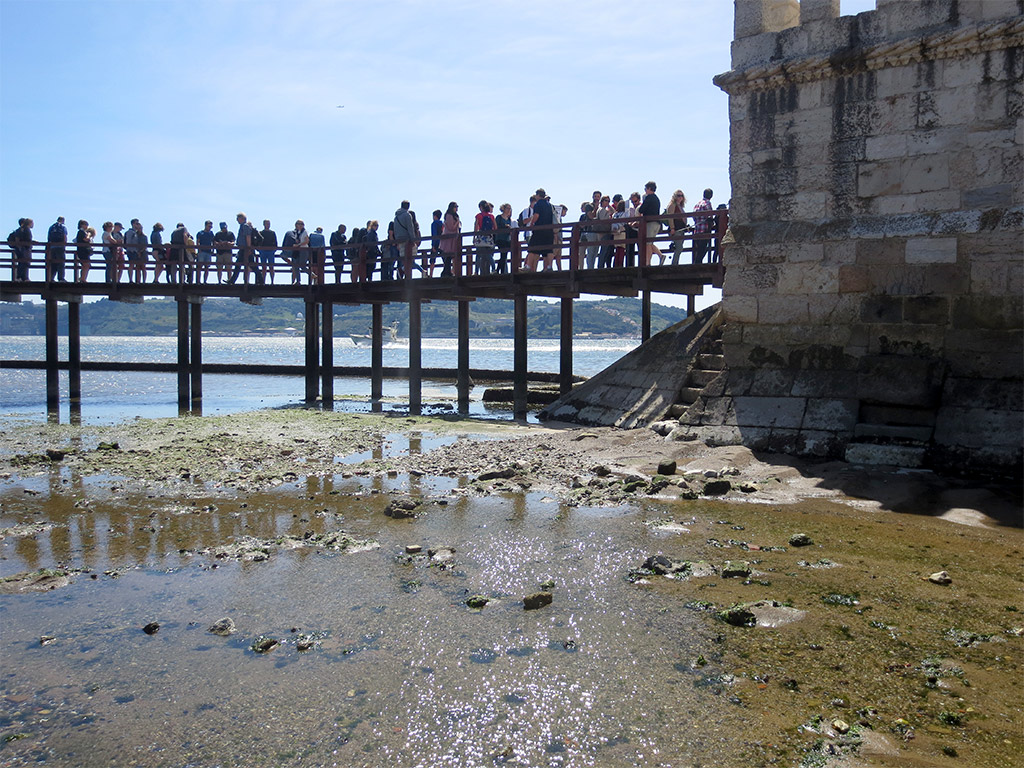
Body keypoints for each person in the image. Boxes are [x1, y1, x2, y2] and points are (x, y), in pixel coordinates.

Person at [526, 188, 554, 271]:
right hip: (549, 230)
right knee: (548, 249)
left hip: (539, 229)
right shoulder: (549, 205)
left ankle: (528, 266)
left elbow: (536, 215)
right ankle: (549, 267)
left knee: (532, 248)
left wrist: (531, 224)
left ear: (538, 195)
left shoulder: (538, 204)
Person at [638, 181, 663, 266]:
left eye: (645, 189)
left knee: (647, 243)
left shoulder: (649, 197)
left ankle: (649, 262)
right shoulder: (657, 198)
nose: (645, 190)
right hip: (657, 223)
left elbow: (641, 209)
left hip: (650, 223)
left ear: (649, 188)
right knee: (649, 243)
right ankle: (657, 257)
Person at [393, 200, 419, 278]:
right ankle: (405, 273)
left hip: (399, 240)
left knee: (404, 258)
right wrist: (413, 240)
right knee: (411, 257)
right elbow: (410, 228)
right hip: (407, 239)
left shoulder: (396, 217)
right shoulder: (407, 215)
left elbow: (395, 229)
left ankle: (404, 272)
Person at [228, 213, 253, 285]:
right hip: (243, 249)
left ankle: (260, 280)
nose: (237, 220)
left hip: (245, 249)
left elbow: (248, 237)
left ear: (241, 218)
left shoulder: (245, 226)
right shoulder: (243, 226)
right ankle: (232, 281)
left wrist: (248, 248)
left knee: (252, 266)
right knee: (238, 265)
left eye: (237, 219)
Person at [665, 189, 688, 265]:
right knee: (679, 248)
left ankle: (675, 263)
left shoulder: (680, 206)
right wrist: (672, 228)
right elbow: (670, 217)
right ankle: (674, 264)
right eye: (678, 195)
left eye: (682, 195)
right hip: (676, 229)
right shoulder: (672, 205)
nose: (680, 197)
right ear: (675, 196)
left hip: (681, 229)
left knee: (679, 248)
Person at [473, 200, 496, 275]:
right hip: (489, 237)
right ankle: (493, 268)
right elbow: (495, 227)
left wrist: (474, 237)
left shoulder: (478, 216)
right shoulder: (491, 216)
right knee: (488, 254)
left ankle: (476, 271)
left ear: (481, 207)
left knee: (478, 255)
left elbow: (476, 227)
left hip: (481, 237)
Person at [692, 188, 714, 264]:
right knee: (703, 248)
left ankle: (697, 262)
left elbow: (694, 217)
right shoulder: (707, 203)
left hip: (697, 229)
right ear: (711, 195)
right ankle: (697, 263)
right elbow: (710, 216)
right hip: (704, 229)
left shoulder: (697, 204)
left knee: (699, 248)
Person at [440, 202, 461, 277]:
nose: (456, 209)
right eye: (455, 207)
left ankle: (447, 272)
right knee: (448, 255)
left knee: (450, 256)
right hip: (448, 238)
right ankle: (446, 272)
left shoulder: (454, 215)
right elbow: (451, 227)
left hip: (452, 238)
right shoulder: (449, 215)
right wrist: (457, 223)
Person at [46, 216, 68, 282]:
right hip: (60, 247)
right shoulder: (63, 227)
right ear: (63, 220)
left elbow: (48, 237)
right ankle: (61, 278)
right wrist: (64, 245)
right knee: (61, 263)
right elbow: (64, 236)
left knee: (53, 263)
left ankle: (51, 278)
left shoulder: (51, 227)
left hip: (52, 247)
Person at [494, 203, 514, 274]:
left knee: (504, 256)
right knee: (503, 254)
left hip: (507, 239)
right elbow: (497, 227)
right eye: (508, 208)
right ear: (504, 209)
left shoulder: (509, 219)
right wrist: (505, 226)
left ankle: (499, 270)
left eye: (510, 209)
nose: (509, 210)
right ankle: (499, 271)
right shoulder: (499, 217)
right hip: (500, 238)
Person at [595, 195, 613, 268]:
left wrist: (609, 207)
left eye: (609, 201)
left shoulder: (604, 209)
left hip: (605, 231)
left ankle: (602, 265)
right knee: (604, 250)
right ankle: (600, 266)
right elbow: (603, 219)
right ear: (602, 201)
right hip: (604, 232)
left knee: (606, 250)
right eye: (606, 201)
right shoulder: (602, 210)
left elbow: (613, 211)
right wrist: (608, 214)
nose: (607, 202)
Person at [128, 219, 148, 284]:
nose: (139, 229)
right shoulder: (134, 235)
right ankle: (138, 281)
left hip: (143, 252)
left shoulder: (144, 236)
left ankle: (144, 281)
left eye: (140, 228)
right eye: (139, 228)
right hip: (136, 252)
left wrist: (140, 251)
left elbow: (145, 245)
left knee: (143, 267)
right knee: (137, 267)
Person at [258, 220, 277, 285]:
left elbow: (275, 243)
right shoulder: (260, 233)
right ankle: (263, 281)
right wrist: (259, 250)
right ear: (264, 224)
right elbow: (258, 242)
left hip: (270, 252)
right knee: (263, 267)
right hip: (263, 251)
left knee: (271, 267)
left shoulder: (272, 233)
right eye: (266, 223)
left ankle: (272, 281)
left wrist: (273, 250)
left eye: (269, 223)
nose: (268, 225)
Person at [428, 209, 443, 277]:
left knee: (432, 259)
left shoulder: (434, 224)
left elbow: (434, 234)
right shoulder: (443, 223)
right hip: (442, 242)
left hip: (436, 243)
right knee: (444, 258)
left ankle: (431, 274)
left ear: (435, 216)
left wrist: (433, 245)